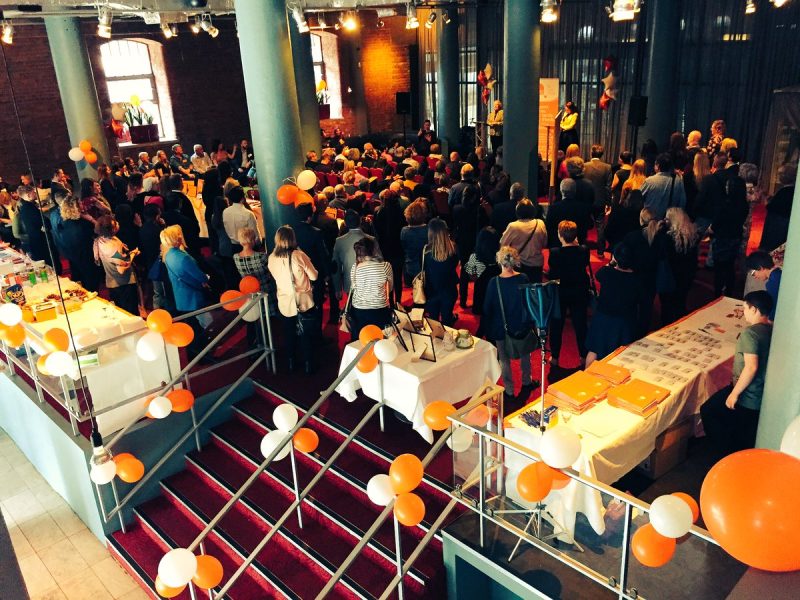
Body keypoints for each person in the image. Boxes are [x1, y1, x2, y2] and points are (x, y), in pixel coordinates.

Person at [700, 291, 773, 456]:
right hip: (760, 392)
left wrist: (734, 393)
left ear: (754, 309)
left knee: (710, 411)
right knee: (743, 432)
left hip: (747, 394)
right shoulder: (771, 329)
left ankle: (723, 455)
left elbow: (751, 367)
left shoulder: (751, 333)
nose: (743, 312)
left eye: (745, 308)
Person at [482, 245, 537, 406]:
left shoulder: (494, 283)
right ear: (515, 261)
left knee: (504, 359)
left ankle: (509, 389)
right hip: (521, 324)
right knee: (525, 353)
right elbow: (529, 302)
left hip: (501, 327)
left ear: (499, 261)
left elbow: (487, 308)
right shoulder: (523, 278)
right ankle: (527, 381)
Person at [268, 226, 318, 373]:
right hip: (303, 300)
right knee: (306, 334)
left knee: (288, 333)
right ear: (292, 238)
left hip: (284, 302)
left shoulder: (271, 257)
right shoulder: (298, 255)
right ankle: (308, 365)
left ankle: (291, 362)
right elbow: (314, 276)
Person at [584, 242, 640, 366]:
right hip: (624, 322)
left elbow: (598, 275)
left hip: (603, 317)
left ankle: (585, 380)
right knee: (620, 356)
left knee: (594, 351)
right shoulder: (636, 279)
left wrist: (611, 263)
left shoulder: (607, 272)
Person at [548, 221, 590, 369]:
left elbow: (552, 274)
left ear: (560, 235)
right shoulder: (584, 250)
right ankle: (583, 356)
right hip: (579, 291)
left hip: (561, 292)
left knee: (556, 325)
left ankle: (555, 357)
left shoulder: (554, 253)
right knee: (580, 324)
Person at [161, 225, 209, 354]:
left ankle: (195, 352)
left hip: (181, 295)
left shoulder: (168, 254)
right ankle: (201, 353)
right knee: (199, 326)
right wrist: (206, 278)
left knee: (191, 325)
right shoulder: (183, 257)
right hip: (192, 295)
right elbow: (199, 275)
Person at [710, 173, 748, 297]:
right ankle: (729, 291)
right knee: (730, 266)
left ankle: (717, 292)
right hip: (735, 236)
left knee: (719, 268)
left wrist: (711, 229)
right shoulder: (744, 204)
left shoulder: (725, 204)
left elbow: (717, 222)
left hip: (722, 237)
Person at [93, 215, 139, 315]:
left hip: (111, 282)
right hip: (123, 284)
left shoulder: (100, 240)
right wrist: (133, 254)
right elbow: (121, 270)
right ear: (111, 230)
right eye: (115, 224)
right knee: (131, 314)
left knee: (121, 312)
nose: (118, 223)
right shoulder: (114, 247)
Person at [660, 207, 699, 325]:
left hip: (671, 276)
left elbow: (663, 256)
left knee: (666, 306)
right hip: (687, 274)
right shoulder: (692, 235)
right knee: (681, 302)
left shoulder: (668, 238)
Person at [349, 236, 393, 337]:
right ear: (374, 250)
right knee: (380, 338)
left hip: (359, 309)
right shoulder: (385, 266)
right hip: (379, 308)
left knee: (360, 338)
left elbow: (354, 287)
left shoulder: (355, 267)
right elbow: (389, 289)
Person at [453, 185, 488, 308]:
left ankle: (462, 301)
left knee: (463, 272)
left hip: (462, 243)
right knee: (478, 273)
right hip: (477, 244)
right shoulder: (480, 210)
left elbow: (454, 227)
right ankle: (477, 303)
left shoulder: (457, 209)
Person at [499, 198, 547, 283]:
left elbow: (503, 244)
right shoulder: (540, 223)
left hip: (519, 265)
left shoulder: (513, 226)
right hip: (537, 265)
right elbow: (544, 243)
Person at [332, 210, 376, 304]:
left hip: (350, 282)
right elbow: (380, 261)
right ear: (360, 221)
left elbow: (335, 267)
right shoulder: (371, 239)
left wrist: (337, 288)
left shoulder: (339, 241)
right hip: (371, 281)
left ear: (346, 223)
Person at [58, 195, 100, 292]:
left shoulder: (63, 224)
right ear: (75, 207)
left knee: (82, 288)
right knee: (92, 287)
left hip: (74, 260)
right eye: (80, 203)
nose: (82, 205)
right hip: (87, 258)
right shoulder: (83, 223)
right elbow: (98, 231)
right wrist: (91, 219)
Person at [465, 226, 501, 334]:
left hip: (481, 287)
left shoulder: (475, 256)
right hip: (496, 287)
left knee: (483, 313)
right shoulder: (500, 255)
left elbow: (471, 276)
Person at [423, 218, 459, 325]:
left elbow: (424, 270)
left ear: (430, 233)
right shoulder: (453, 249)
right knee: (447, 320)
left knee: (433, 322)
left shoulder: (426, 251)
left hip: (431, 292)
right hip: (449, 291)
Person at [583, 144, 613, 256]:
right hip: (600, 200)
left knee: (583, 224)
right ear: (602, 154)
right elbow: (608, 187)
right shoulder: (607, 167)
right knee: (600, 226)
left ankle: (583, 247)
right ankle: (600, 251)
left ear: (591, 152)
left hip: (586, 200)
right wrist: (608, 203)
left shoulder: (584, 165)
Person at [760, 163, 796, 252]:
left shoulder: (784, 191)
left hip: (777, 224)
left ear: (784, 177)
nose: (778, 176)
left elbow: (772, 207)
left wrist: (766, 201)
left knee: (773, 248)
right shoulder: (792, 190)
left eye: (780, 174)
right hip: (784, 223)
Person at [546, 179, 592, 247]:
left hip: (557, 245)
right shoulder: (583, 208)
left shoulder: (553, 208)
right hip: (578, 245)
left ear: (561, 191)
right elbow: (589, 225)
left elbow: (549, 227)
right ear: (575, 191)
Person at [640, 154, 687, 219]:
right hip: (670, 221)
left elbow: (639, 197)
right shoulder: (678, 180)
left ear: (657, 166)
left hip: (651, 221)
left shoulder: (649, 181)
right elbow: (682, 202)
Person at [400, 199, 429, 287]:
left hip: (410, 267)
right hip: (427, 268)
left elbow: (403, 247)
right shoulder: (429, 229)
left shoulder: (404, 231)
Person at [222, 186, 260, 253]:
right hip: (249, 247)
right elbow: (255, 235)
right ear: (243, 198)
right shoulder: (248, 214)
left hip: (233, 245)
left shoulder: (225, 212)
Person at [745, 251, 781, 321]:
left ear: (760, 268)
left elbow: (773, 311)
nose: (754, 277)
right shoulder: (779, 273)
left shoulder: (773, 283)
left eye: (753, 273)